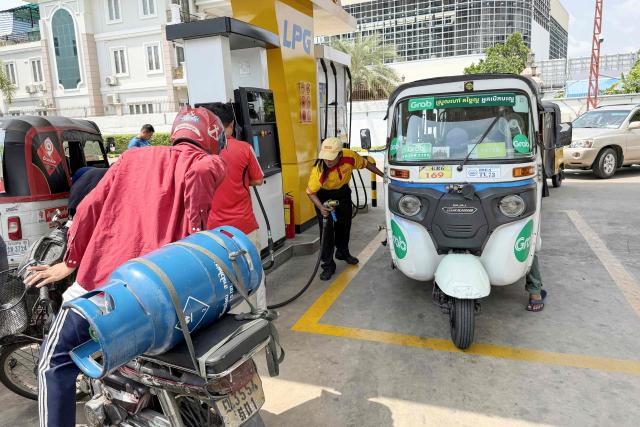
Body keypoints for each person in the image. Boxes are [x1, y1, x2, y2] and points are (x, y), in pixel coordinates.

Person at [26, 106, 227, 427]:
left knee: (54, 363)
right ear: (214, 140)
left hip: (106, 287)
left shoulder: (133, 158)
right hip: (168, 297)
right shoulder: (209, 165)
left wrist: (71, 261)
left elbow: (89, 208)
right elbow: (196, 229)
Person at [203, 102, 266, 309]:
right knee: (253, 273)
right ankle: (259, 318)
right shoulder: (244, 148)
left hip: (213, 232)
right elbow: (258, 180)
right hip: (244, 226)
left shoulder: (202, 153)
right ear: (232, 124)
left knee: (222, 279)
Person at [307, 137, 385, 281]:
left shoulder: (350, 156)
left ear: (340, 154)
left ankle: (343, 252)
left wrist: (384, 176)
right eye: (325, 158)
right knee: (327, 231)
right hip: (323, 197)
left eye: (331, 158)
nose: (328, 161)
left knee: (345, 224)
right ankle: (328, 265)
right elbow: (310, 192)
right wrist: (321, 208)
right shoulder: (319, 170)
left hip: (342, 194)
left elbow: (367, 164)